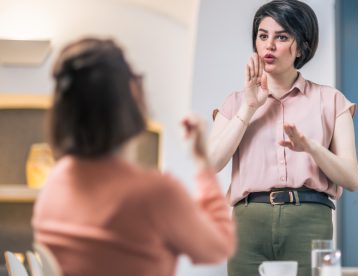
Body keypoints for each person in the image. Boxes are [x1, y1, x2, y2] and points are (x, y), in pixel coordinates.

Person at [32, 38, 235, 276]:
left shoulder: (52, 186)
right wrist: (203, 164)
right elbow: (219, 247)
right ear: (131, 95)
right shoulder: (155, 193)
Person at [208, 1, 358, 275]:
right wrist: (249, 107)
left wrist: (311, 148)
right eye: (263, 35)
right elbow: (211, 164)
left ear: (301, 45)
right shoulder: (234, 102)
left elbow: (351, 179)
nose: (269, 45)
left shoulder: (332, 100)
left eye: (282, 37)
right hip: (248, 221)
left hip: (313, 220)